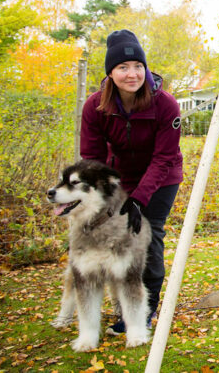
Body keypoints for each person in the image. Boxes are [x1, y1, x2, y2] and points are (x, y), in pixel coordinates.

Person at [80, 29, 183, 335]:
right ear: (110, 73)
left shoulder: (165, 105)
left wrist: (138, 200)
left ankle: (144, 311)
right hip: (120, 178)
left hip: (162, 178)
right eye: (123, 67)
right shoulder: (96, 107)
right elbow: (93, 158)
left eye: (138, 66)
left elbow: (164, 158)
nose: (132, 73)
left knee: (148, 237)